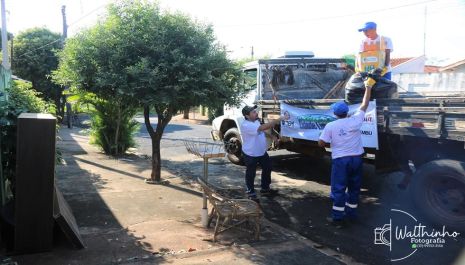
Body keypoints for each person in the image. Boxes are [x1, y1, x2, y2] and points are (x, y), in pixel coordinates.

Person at [318, 78, 373, 227]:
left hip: (341, 160)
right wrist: (368, 87)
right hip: (356, 159)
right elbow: (365, 104)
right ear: (346, 112)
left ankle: (337, 218)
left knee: (339, 188)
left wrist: (329, 142)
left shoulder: (330, 125)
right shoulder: (355, 120)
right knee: (354, 187)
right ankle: (352, 214)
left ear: (335, 113)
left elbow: (321, 143)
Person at [241, 105, 286, 199]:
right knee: (251, 173)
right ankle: (250, 192)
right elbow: (262, 127)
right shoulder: (246, 125)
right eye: (253, 112)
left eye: (255, 111)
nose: (256, 113)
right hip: (251, 154)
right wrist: (279, 119)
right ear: (247, 116)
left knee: (268, 168)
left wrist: (272, 136)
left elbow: (262, 130)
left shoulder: (256, 121)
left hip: (261, 152)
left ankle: (265, 189)